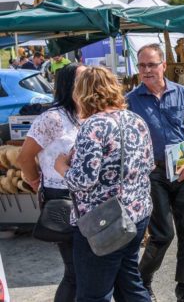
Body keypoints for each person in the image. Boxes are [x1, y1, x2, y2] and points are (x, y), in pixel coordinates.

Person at [54, 67, 153, 302]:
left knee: (93, 294)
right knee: (129, 285)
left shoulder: (94, 126)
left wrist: (61, 166)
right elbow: (149, 165)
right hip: (136, 215)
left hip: (101, 221)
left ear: (83, 93)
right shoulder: (136, 120)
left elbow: (83, 180)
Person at [127, 44, 184, 302]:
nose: (147, 70)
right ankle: (142, 281)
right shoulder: (130, 100)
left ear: (163, 65)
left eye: (151, 64)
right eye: (142, 66)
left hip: (183, 170)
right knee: (162, 234)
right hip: (153, 174)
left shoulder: (182, 94)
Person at [17, 63, 85, 302]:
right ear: (69, 85)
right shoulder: (52, 118)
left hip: (88, 199)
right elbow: (24, 157)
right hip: (61, 198)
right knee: (75, 270)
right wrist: (35, 180)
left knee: (87, 268)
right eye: (82, 79)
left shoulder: (88, 114)